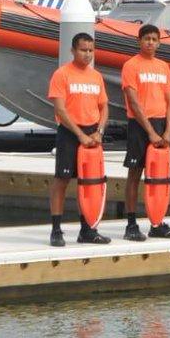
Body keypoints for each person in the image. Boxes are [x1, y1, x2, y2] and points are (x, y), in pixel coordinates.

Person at [46, 32, 109, 247]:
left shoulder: (96, 76)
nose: (87, 54)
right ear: (73, 50)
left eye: (91, 50)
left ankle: (88, 229)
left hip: (93, 134)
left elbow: (103, 106)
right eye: (83, 50)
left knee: (89, 183)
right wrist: (80, 135)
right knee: (61, 181)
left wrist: (99, 131)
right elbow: (60, 110)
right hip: (70, 133)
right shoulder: (62, 74)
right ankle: (56, 229)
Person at [120, 23, 170, 240]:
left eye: (155, 39)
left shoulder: (163, 66)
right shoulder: (131, 66)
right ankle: (131, 223)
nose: (151, 43)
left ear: (159, 42)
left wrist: (168, 132)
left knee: (160, 176)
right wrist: (150, 132)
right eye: (147, 39)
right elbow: (134, 102)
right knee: (135, 174)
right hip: (139, 125)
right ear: (139, 41)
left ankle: (157, 222)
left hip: (161, 124)